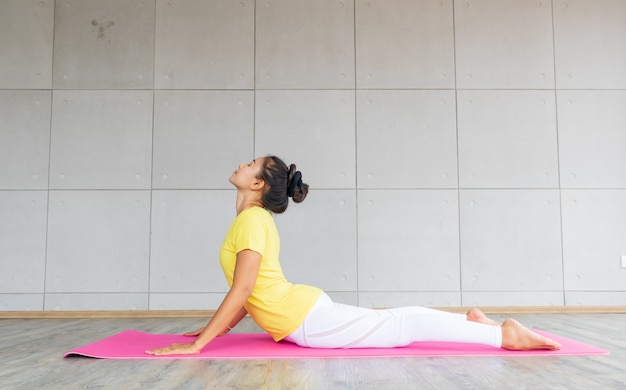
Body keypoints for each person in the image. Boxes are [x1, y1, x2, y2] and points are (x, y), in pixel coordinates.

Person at [146, 156, 560, 355]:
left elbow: (245, 289)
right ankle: (475, 324)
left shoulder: (252, 221)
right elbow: (251, 296)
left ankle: (500, 335)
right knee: (396, 321)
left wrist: (200, 343)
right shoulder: (249, 221)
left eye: (250, 163)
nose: (241, 163)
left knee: (401, 326)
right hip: (304, 314)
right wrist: (210, 332)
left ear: (257, 185)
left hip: (308, 320)